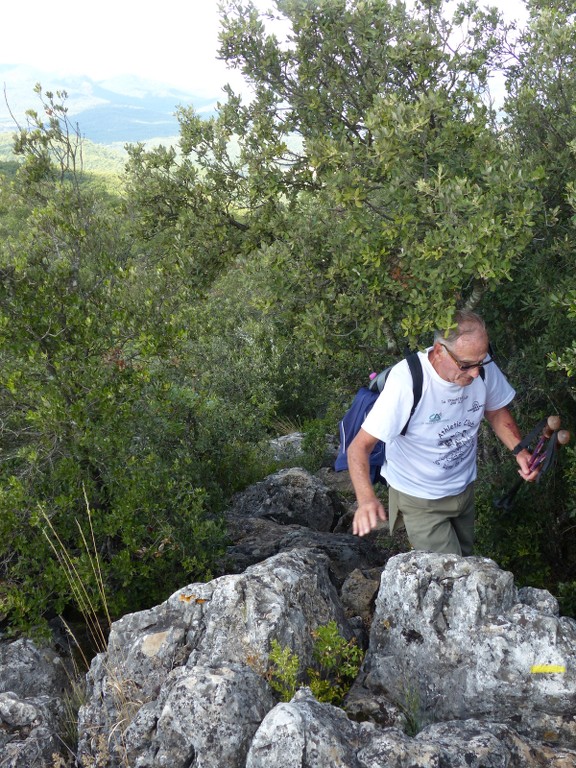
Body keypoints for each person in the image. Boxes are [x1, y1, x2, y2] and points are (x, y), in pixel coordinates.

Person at [348, 310, 538, 555]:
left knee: (467, 558)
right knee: (452, 574)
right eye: (466, 365)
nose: (475, 373)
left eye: (481, 362)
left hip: (463, 488)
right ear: (439, 351)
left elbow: (496, 411)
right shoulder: (407, 382)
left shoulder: (480, 365)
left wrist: (519, 451)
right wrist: (366, 500)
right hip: (419, 497)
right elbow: (359, 447)